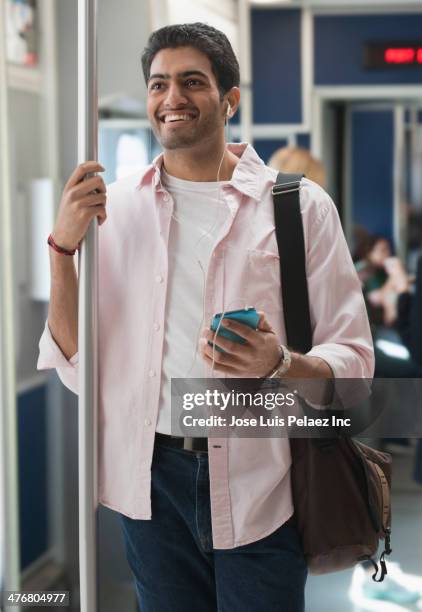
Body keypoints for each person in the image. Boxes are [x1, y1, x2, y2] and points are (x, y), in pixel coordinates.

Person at [37, 23, 374, 612]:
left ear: (230, 99)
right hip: (150, 480)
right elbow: (75, 360)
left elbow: (356, 363)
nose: (172, 99)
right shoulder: (115, 211)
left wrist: (280, 362)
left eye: (192, 82)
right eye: (158, 84)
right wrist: (62, 249)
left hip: (262, 476)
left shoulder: (297, 207)